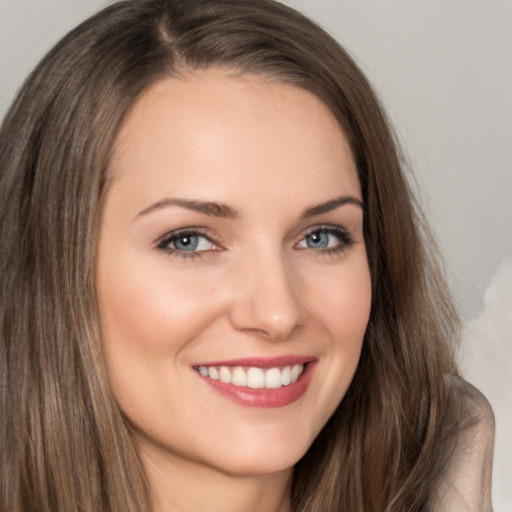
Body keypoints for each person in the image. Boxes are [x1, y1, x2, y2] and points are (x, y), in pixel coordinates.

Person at [0, 0, 495, 511]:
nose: (277, 313)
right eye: (189, 240)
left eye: (321, 237)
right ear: (52, 270)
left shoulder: (457, 463)